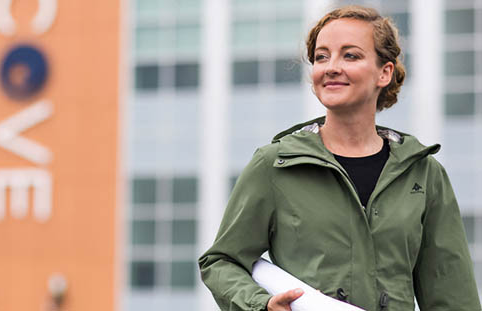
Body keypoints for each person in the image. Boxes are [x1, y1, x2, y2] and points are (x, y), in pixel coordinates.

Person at [198, 5, 481, 311]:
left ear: (384, 72)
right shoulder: (275, 164)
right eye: (322, 56)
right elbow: (221, 262)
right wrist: (261, 304)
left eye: (351, 55)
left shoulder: (423, 173)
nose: (331, 66)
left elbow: (452, 296)